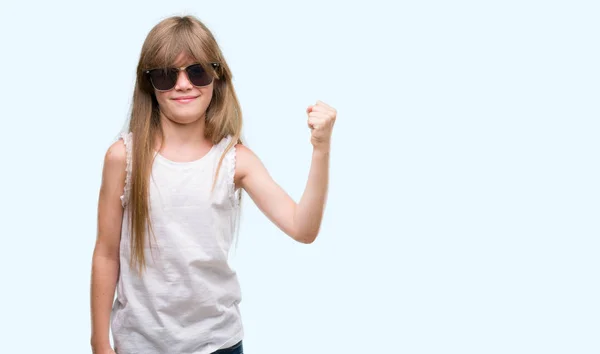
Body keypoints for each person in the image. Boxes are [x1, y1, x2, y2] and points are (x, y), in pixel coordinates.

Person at [89, 15, 336, 354]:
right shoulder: (124, 157)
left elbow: (302, 228)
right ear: (148, 84)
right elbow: (106, 253)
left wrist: (321, 149)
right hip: (139, 345)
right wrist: (99, 342)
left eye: (197, 71)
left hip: (218, 344)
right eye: (165, 74)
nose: (183, 84)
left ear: (217, 76)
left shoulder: (235, 160)